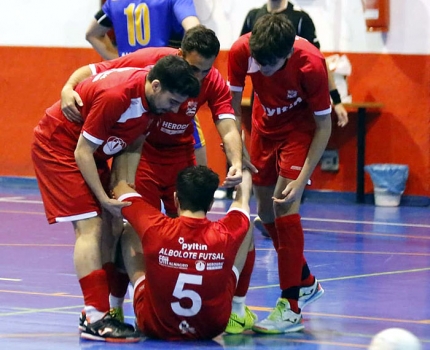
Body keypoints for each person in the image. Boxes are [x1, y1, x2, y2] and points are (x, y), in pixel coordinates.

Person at [60, 25, 252, 327]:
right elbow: (96, 68)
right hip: (142, 154)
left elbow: (228, 125)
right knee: (130, 231)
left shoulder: (213, 81)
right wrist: (67, 87)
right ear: (179, 55)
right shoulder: (152, 61)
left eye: (206, 70)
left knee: (194, 234)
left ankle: (227, 311)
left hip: (181, 158)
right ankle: (114, 307)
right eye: (193, 69)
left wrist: (237, 162)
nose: (198, 78)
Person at [31, 55, 200, 342]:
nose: (175, 110)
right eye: (172, 102)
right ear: (156, 86)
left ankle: (106, 308)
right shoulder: (117, 96)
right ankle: (93, 316)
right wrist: (104, 198)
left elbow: (133, 142)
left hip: (91, 152)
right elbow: (82, 151)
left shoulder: (153, 99)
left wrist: (124, 188)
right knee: (91, 226)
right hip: (59, 147)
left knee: (111, 225)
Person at [228, 14, 329, 333]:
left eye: (269, 65)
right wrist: (235, 145)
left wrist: (301, 181)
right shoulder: (242, 50)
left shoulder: (311, 63)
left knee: (286, 207)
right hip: (261, 129)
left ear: (287, 54)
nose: (262, 69)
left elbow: (324, 126)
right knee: (265, 215)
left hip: (298, 132)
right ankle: (306, 281)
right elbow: (229, 103)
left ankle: (291, 306)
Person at [240, 0, 348, 237]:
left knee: (283, 201)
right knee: (265, 205)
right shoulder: (252, 18)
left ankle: (293, 255)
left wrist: (336, 99)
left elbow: (320, 62)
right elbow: (243, 62)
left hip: (297, 119)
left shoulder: (300, 20)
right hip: (265, 114)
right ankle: (270, 223)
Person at [112, 165, 255, 340]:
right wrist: (241, 163)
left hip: (154, 325)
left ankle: (114, 308)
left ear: (175, 199)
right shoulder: (225, 234)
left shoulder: (156, 227)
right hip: (212, 327)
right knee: (246, 227)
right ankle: (238, 309)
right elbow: (242, 200)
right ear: (211, 203)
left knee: (129, 231)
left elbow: (118, 186)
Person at [85, 0, 207, 166]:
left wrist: (122, 62)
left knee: (127, 145)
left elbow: (91, 34)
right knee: (190, 135)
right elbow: (195, 31)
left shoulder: (115, 2)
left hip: (130, 87)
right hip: (165, 85)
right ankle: (199, 190)